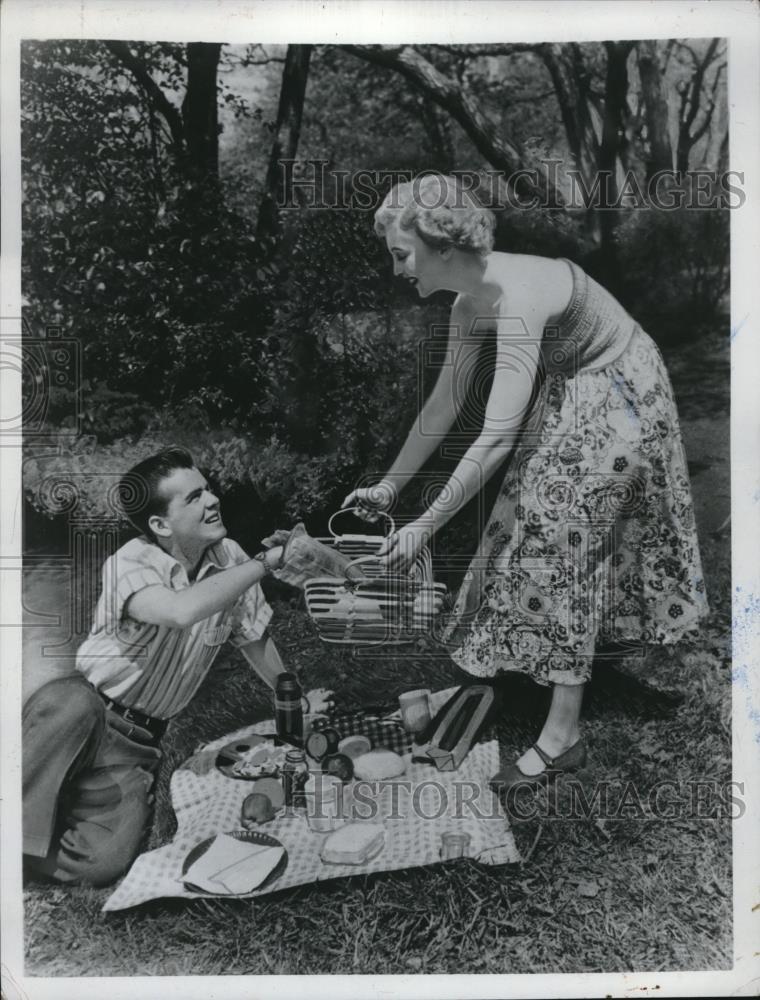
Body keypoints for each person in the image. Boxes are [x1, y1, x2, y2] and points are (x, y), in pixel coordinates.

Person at [343, 173, 708, 791]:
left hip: (621, 386)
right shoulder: (468, 302)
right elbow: (444, 407)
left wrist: (424, 527)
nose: (397, 269)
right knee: (524, 520)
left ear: (441, 245)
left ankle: (563, 735)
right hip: (573, 385)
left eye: (402, 254)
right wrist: (389, 489)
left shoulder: (516, 296)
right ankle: (549, 661)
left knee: (565, 536)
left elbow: (494, 437)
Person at [23, 445, 297, 886]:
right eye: (193, 498)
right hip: (84, 713)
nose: (212, 500)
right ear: (160, 524)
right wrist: (266, 563)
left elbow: (253, 637)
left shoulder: (230, 560)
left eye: (208, 490)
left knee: (100, 865)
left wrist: (292, 696)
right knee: (68, 705)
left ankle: (36, 836)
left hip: (139, 743)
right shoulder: (131, 562)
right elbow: (179, 611)